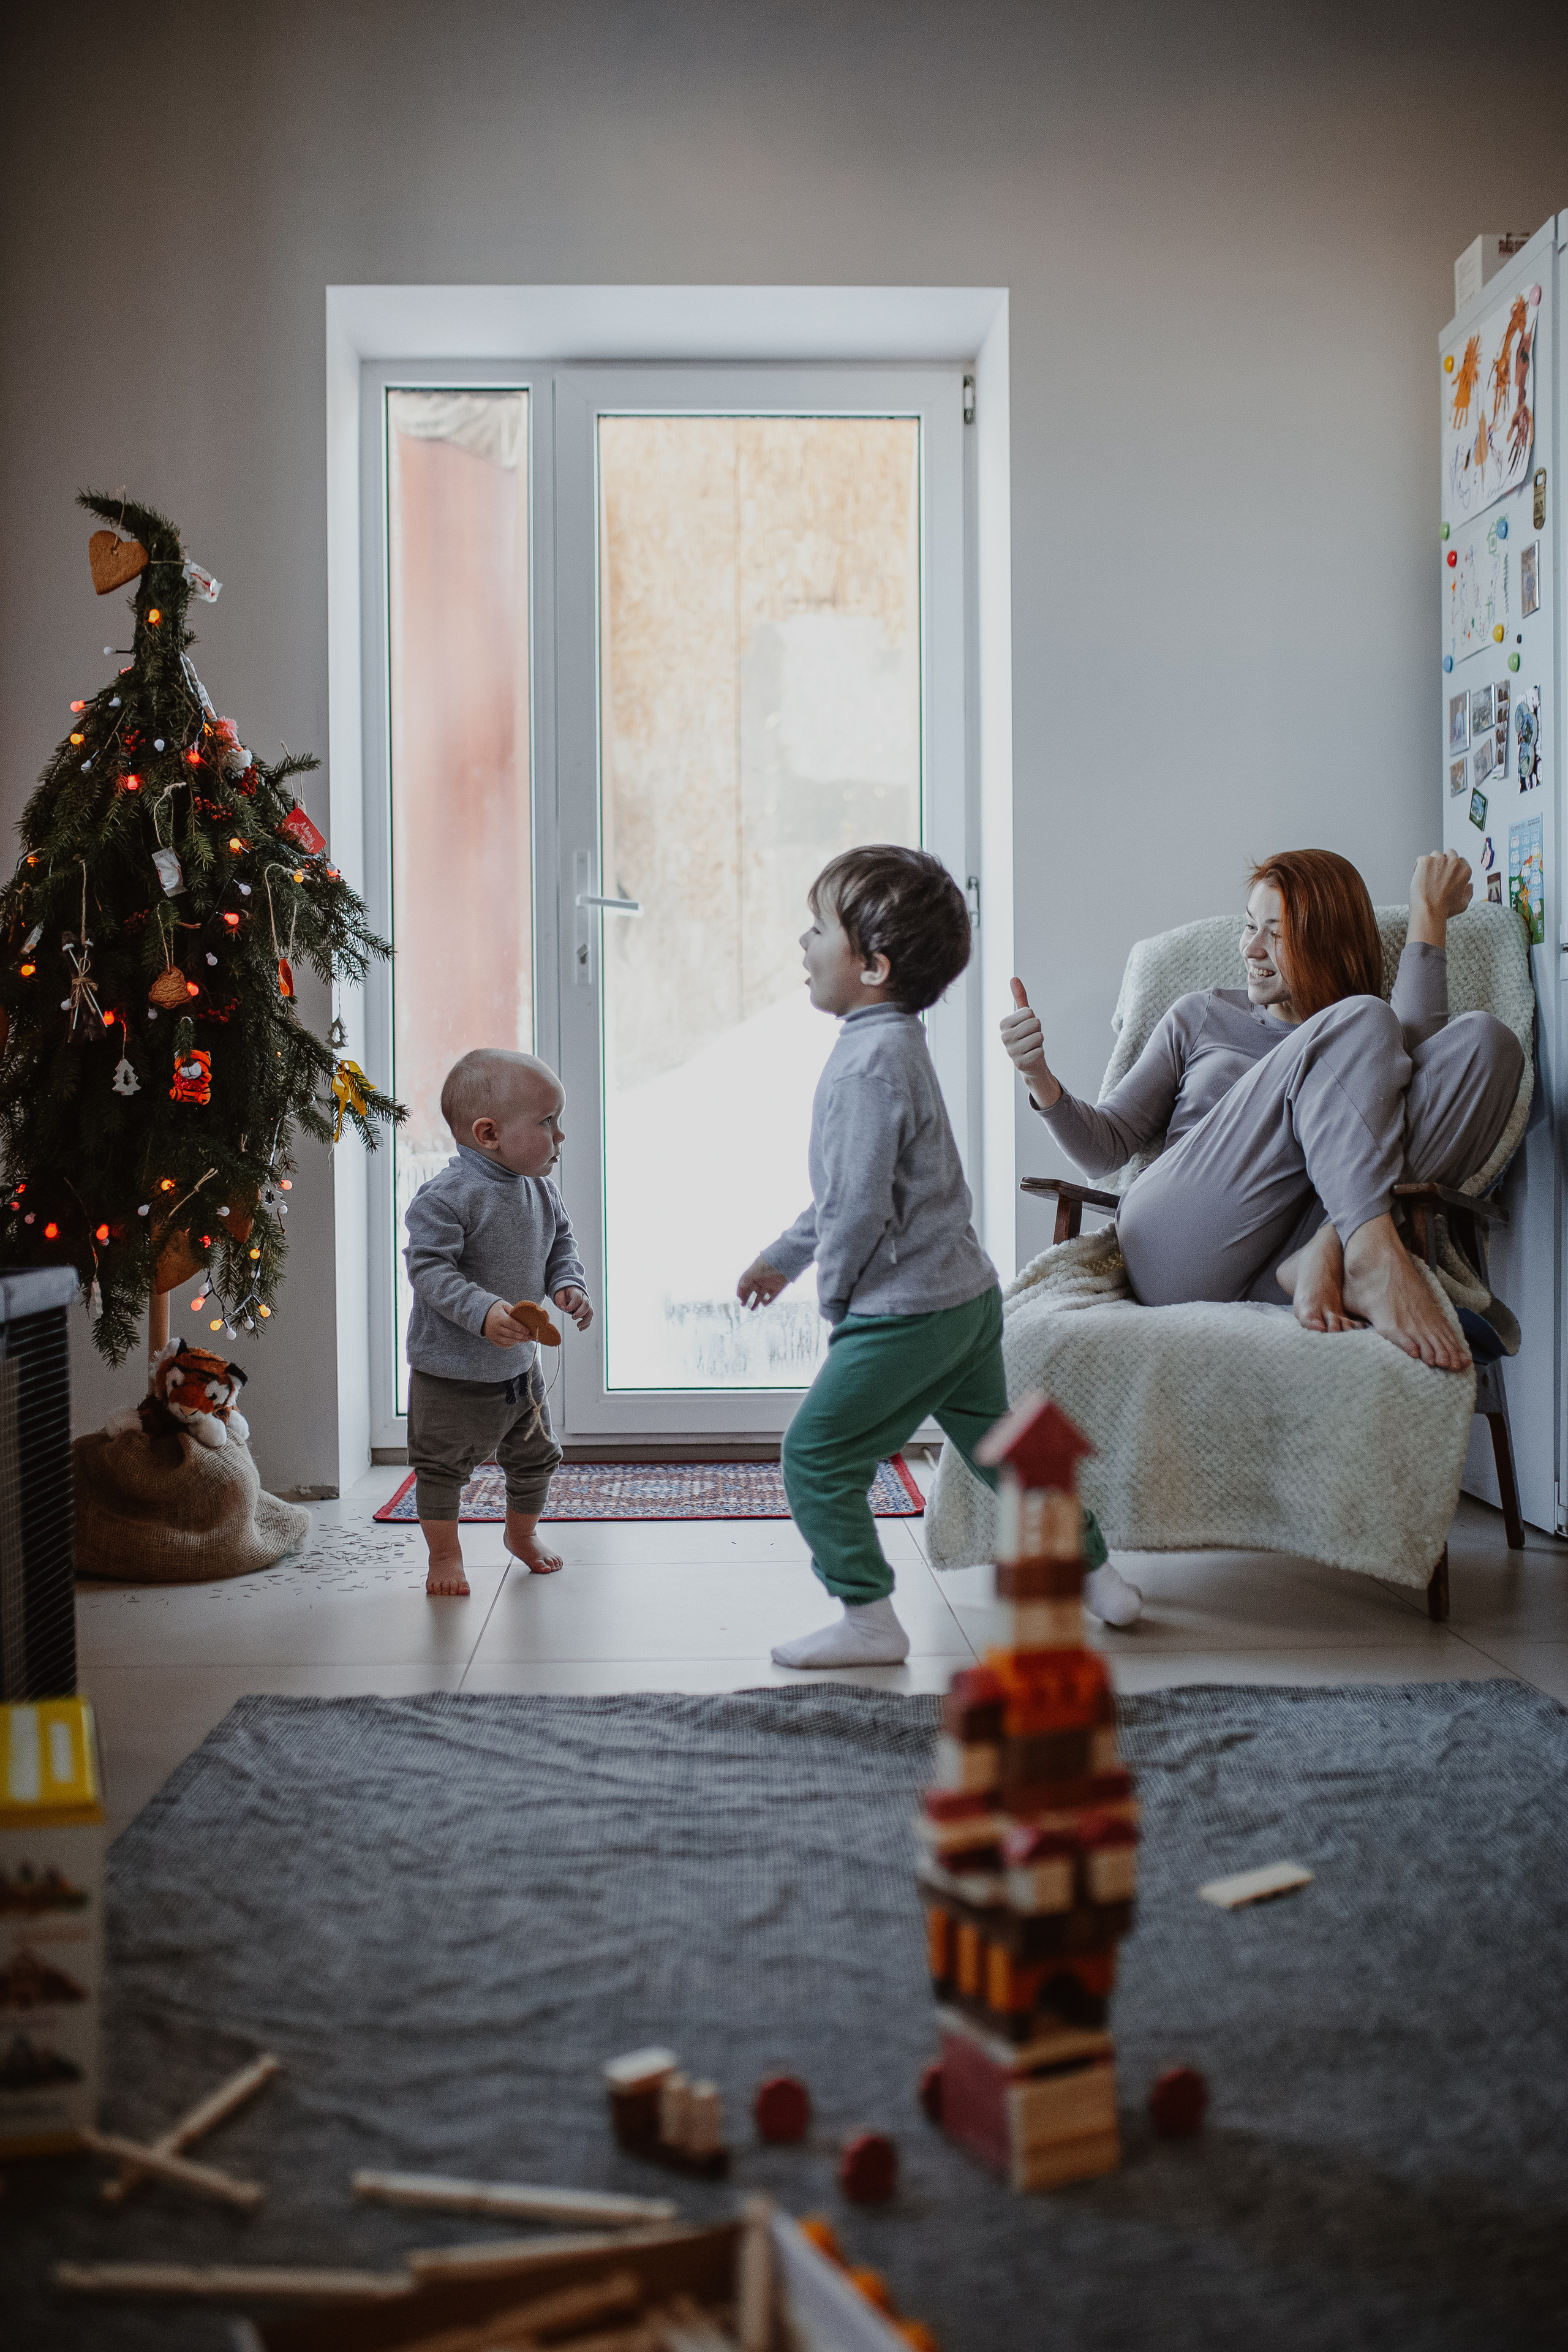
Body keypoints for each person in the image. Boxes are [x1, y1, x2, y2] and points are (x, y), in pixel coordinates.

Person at [736, 845, 1134, 1668]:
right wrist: (782, 1257)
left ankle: (868, 1618)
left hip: (907, 1312)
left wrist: (837, 1300)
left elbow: (856, 1208)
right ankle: (1092, 1571)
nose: (802, 946)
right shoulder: (898, 1044)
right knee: (1005, 1453)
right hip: (964, 1299)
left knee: (815, 1454)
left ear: (872, 965)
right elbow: (860, 1192)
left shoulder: (862, 1068)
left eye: (817, 931)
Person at [1000, 848, 1523, 1371]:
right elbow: (1104, 1148)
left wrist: (1427, 911)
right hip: (1181, 1240)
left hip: (1284, 1264)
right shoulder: (1202, 1015)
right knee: (1367, 1018)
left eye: (1276, 933)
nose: (1252, 947)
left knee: (1488, 1043)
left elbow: (1424, 1081)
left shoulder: (1363, 1034)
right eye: (1250, 926)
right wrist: (1038, 1078)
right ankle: (1367, 1248)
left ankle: (1335, 1244)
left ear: (1328, 942)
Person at [404, 1047, 593, 1597]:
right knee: (442, 1470)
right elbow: (429, 1269)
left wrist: (568, 1284)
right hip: (451, 1374)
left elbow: (561, 1244)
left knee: (535, 1458)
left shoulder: (541, 1190)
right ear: (488, 1134)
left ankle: (521, 1535)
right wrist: (483, 1311)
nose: (560, 1137)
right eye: (547, 1123)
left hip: (518, 1370)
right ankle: (445, 1554)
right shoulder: (446, 1198)